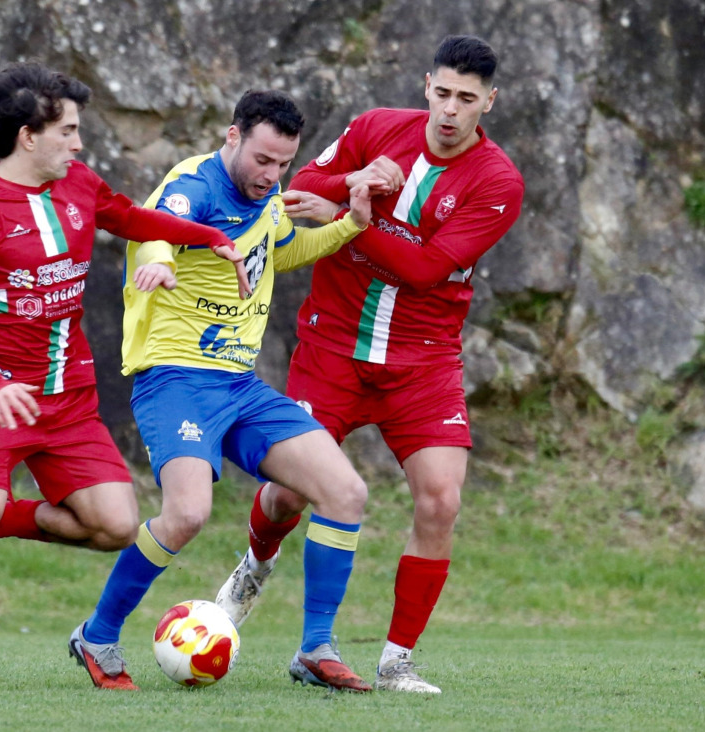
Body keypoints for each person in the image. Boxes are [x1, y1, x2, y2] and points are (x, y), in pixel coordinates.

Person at [0, 62, 250, 692]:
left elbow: (129, 217)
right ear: (28, 136)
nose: (79, 144)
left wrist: (206, 237)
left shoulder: (78, 185)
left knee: (115, 526)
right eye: (68, 131)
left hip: (70, 400)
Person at [215, 35, 525, 694]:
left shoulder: (498, 182)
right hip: (332, 347)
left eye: (467, 99)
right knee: (288, 492)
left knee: (441, 501)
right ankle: (254, 567)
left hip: (423, 361)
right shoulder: (378, 127)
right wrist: (354, 184)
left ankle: (397, 661)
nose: (450, 110)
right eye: (443, 93)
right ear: (426, 86)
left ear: (489, 103)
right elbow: (302, 187)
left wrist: (348, 217)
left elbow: (426, 268)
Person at [67, 90, 380, 692]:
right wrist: (159, 261)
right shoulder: (195, 185)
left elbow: (284, 251)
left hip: (239, 384)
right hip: (176, 378)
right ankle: (98, 635)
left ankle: (316, 649)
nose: (271, 175)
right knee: (187, 514)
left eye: (284, 163)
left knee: (346, 492)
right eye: (262, 159)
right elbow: (158, 229)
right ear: (232, 136)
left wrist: (348, 226)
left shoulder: (267, 201)